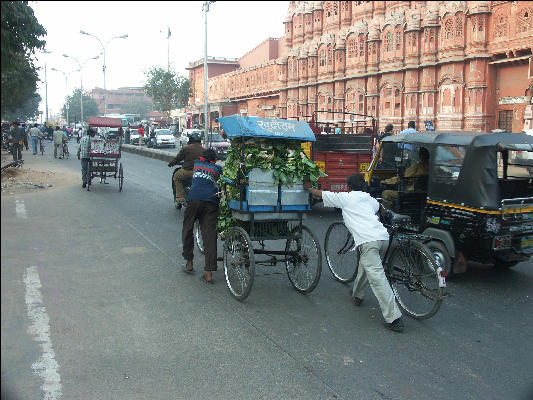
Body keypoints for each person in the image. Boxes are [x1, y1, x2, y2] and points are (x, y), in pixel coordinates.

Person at [303, 174, 404, 332]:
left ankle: (394, 318)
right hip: (383, 239)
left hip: (368, 240)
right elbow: (379, 210)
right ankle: (357, 294)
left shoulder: (346, 198)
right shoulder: (370, 199)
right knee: (367, 264)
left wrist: (308, 187)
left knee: (377, 278)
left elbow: (320, 194)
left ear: (348, 186)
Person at [181, 148, 223, 284]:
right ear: (214, 160)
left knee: (187, 229)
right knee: (210, 236)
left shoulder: (197, 163)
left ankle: (189, 263)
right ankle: (208, 273)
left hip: (194, 200)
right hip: (211, 203)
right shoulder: (217, 169)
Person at [167, 131, 205, 205]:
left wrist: (171, 164)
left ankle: (180, 198)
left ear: (190, 140)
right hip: (200, 172)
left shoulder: (186, 148)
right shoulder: (204, 149)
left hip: (188, 171)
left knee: (176, 177)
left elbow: (178, 158)